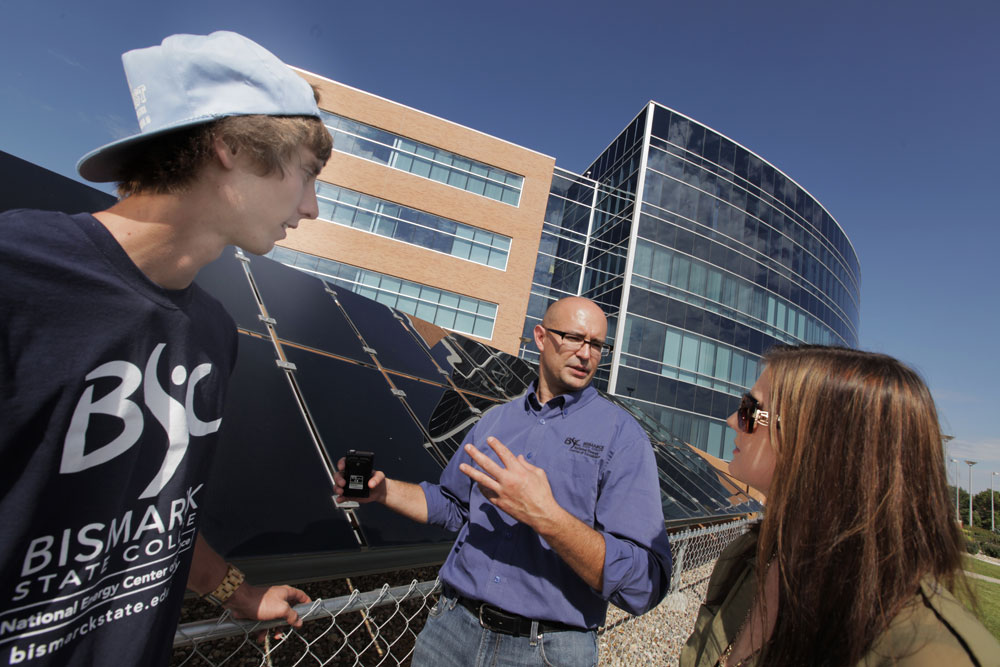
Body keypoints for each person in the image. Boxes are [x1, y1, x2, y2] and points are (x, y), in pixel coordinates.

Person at [0, 31, 333, 666]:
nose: (311, 208)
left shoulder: (210, 332)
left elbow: (152, 511)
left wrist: (235, 592)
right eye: (308, 176)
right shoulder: (16, 275)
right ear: (231, 147)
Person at [334, 296, 672, 666]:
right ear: (541, 337)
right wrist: (383, 491)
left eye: (596, 344)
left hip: (548, 650)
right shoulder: (494, 422)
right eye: (574, 338)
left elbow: (644, 584)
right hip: (451, 630)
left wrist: (546, 516)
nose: (585, 353)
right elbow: (454, 506)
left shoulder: (622, 438)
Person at [680, 345, 1000, 666]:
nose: (733, 420)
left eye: (750, 410)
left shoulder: (930, 653)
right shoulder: (745, 558)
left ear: (823, 441)